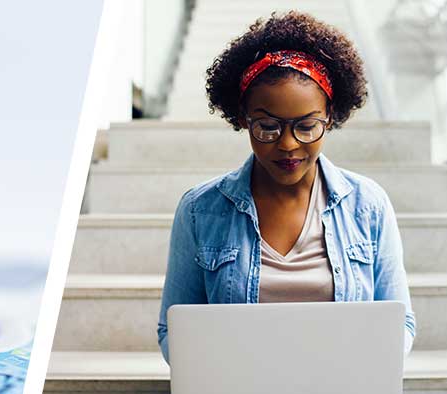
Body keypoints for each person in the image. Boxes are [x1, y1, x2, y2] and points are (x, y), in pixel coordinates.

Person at [157, 11, 416, 364]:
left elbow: (400, 323)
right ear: (243, 119)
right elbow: (173, 331)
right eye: (267, 126)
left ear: (330, 117)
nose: (288, 145)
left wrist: (363, 368)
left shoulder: (368, 205)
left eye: (307, 127)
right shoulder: (200, 210)